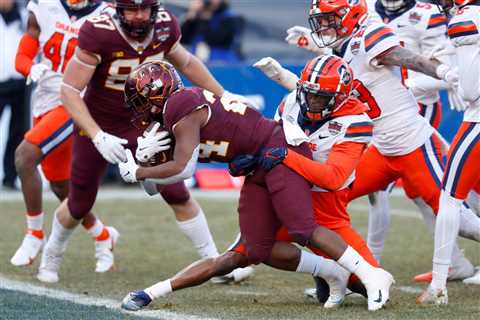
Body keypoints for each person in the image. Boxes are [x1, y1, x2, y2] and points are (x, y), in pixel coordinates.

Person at [118, 59, 395, 312]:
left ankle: (372, 276)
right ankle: (331, 271)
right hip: (260, 165)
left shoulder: (181, 105)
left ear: (155, 95)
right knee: (254, 250)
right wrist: (147, 162)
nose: (140, 109)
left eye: (141, 101)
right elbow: (155, 189)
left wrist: (140, 171)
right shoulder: (168, 122)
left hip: (285, 157)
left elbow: (184, 169)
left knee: (302, 228)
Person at [260, 0, 480, 294]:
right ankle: (343, 273)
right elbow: (322, 90)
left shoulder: (369, 34)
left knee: (458, 220)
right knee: (327, 201)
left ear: (349, 17)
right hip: (379, 148)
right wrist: (284, 76)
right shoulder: (338, 49)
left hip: (412, 143)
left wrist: (443, 74)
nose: (324, 27)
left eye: (330, 20)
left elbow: (408, 58)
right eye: (321, 21)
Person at [37, 0, 252, 284]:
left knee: (176, 192)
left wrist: (223, 95)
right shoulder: (98, 31)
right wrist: (97, 134)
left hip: (146, 124)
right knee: (79, 202)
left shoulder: (164, 25)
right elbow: (69, 90)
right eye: (131, 9)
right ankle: (51, 255)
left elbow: (186, 62)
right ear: (117, 9)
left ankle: (214, 265)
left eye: (144, 9)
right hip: (100, 122)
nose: (138, 16)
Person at [367, 0, 479, 283]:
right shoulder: (366, 9)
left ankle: (369, 267)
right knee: (431, 192)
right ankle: (452, 261)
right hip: (386, 111)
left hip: (416, 110)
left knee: (447, 193)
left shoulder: (432, 15)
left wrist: (411, 85)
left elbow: (452, 73)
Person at [10, 0, 118, 273]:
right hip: (44, 99)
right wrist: (28, 67)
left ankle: (35, 234)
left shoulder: (107, 14)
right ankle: (103, 235)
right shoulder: (43, 5)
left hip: (75, 100)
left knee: (25, 156)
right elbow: (25, 51)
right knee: (61, 187)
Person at [417, 0, 480, 304]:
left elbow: (469, 91)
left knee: (449, 198)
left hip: (478, 119)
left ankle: (439, 284)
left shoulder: (466, 18)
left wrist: (453, 75)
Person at [0, 0, 29, 190]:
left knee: (18, 131)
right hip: (0, 80)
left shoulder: (24, 17)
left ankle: (10, 176)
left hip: (20, 81)